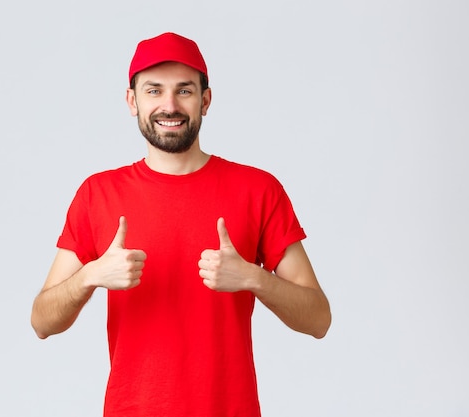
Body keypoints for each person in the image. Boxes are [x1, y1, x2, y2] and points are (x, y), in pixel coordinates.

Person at [31, 32, 331, 417]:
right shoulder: (97, 194)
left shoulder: (258, 190)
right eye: (153, 91)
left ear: (205, 100)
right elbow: (41, 321)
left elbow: (319, 319)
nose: (169, 105)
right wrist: (90, 275)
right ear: (131, 100)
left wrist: (254, 279)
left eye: (184, 91)